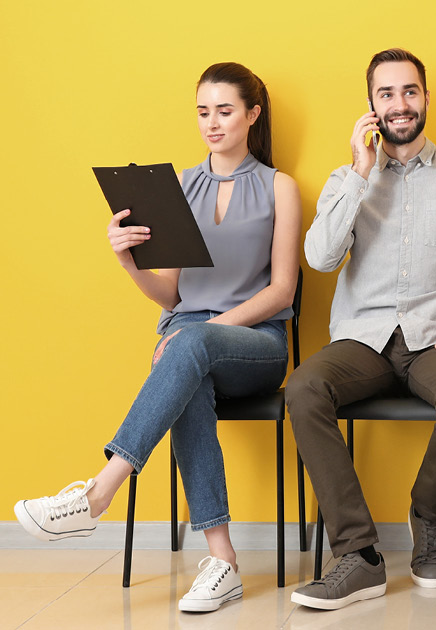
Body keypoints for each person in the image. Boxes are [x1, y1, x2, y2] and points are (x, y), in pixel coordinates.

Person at [13, 62, 300, 613]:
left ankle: (97, 493)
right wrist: (127, 261)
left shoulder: (278, 187)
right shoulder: (181, 187)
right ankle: (223, 561)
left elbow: (282, 290)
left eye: (224, 111)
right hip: (189, 345)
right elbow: (171, 295)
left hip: (256, 344)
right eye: (202, 112)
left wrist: (203, 333)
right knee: (187, 371)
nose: (211, 123)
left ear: (252, 115)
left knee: (188, 343)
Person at [286, 47, 436, 610]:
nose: (399, 104)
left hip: (435, 338)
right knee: (303, 388)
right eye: (386, 94)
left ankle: (427, 515)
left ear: (426, 98)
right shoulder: (347, 179)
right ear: (371, 105)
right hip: (361, 341)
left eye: (409, 91)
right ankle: (359, 555)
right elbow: (319, 258)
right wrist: (360, 173)